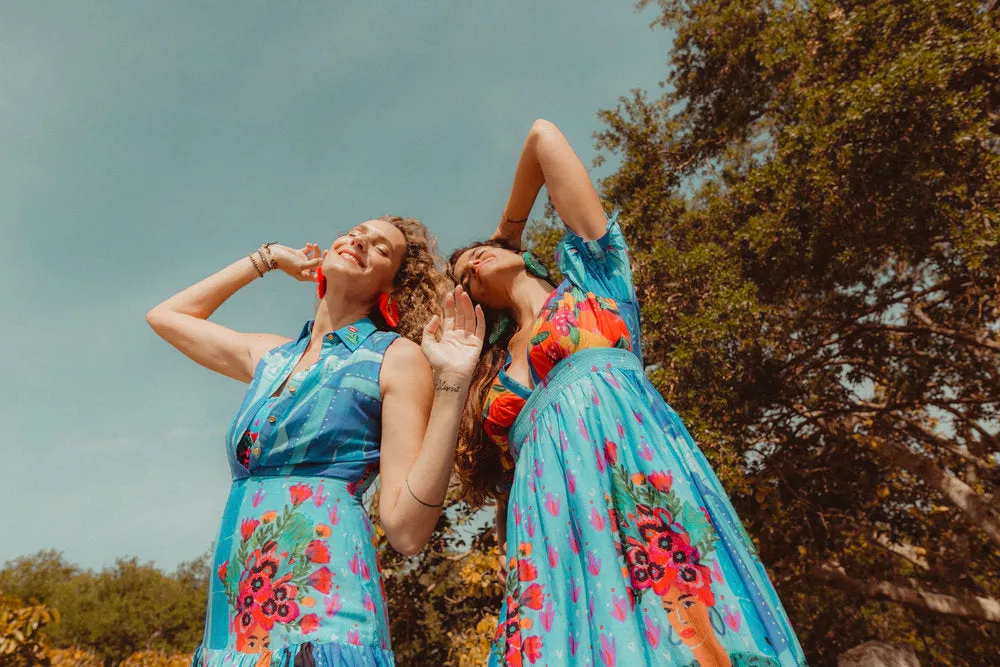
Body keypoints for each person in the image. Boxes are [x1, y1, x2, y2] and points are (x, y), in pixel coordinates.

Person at [449, 121, 805, 666]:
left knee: (678, 622)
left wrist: (506, 231)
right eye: (463, 274)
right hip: (547, 516)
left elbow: (543, 137)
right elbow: (508, 476)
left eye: (476, 253)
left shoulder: (597, 285)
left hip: (632, 470)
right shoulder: (488, 369)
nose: (472, 263)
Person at [147, 216, 485, 667]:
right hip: (235, 619)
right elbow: (166, 316)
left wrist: (452, 386)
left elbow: (406, 529)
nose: (361, 241)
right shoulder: (270, 356)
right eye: (355, 232)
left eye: (382, 248)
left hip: (326, 613)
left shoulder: (394, 357)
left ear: (393, 287)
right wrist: (267, 258)